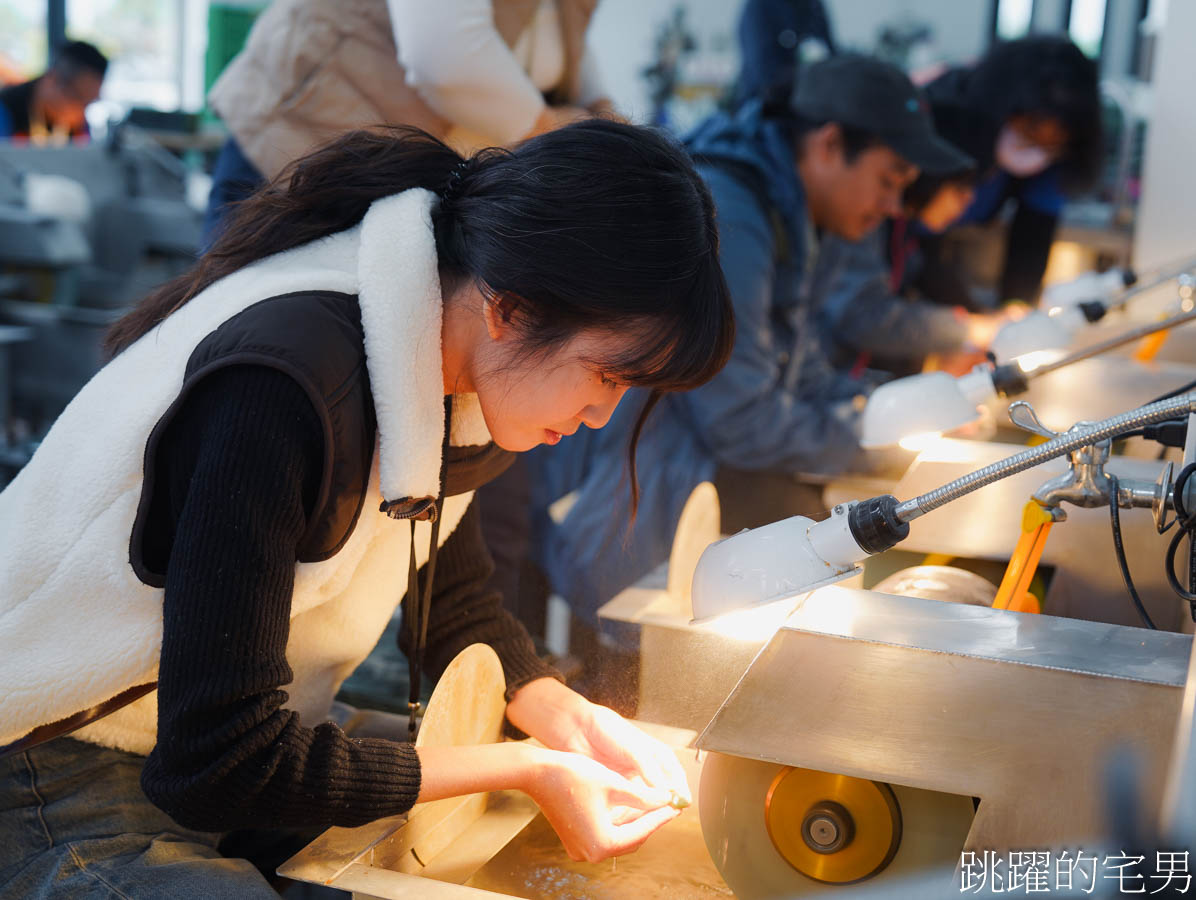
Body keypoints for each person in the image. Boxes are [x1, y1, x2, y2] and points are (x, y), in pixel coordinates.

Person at [0, 120, 734, 896]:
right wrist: (526, 762)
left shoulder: (447, 364)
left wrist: (554, 709)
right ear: (509, 310)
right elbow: (216, 759)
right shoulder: (283, 388)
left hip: (225, 741)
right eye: (607, 377)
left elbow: (454, 600)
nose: (600, 417)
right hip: (61, 758)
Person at [522, 54, 971, 668]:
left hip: (689, 488)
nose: (894, 205)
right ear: (829, 143)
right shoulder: (733, 211)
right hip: (637, 502)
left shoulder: (805, 219)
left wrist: (881, 415)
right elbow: (740, 417)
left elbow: (804, 369)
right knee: (626, 679)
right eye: (888, 179)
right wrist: (880, 448)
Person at [202, 0, 614, 244]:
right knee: (240, 329)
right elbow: (445, 58)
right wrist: (559, 131)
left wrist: (606, 118)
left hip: (391, 169)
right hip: (304, 134)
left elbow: (564, 45)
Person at [918, 35, 1103, 306]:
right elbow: (920, 252)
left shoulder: (1049, 168)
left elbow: (1031, 245)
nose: (1035, 153)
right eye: (1029, 134)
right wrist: (969, 322)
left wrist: (1013, 314)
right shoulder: (943, 123)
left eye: (1052, 147)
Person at [816, 161, 1008, 377]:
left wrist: (978, 322)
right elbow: (861, 317)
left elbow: (925, 276)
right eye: (960, 187)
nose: (969, 199)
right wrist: (967, 330)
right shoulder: (864, 222)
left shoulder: (904, 229)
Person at [0, 40, 107, 143]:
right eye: (79, 99)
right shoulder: (5, 112)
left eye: (88, 103)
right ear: (51, 81)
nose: (82, 113)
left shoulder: (78, 128)